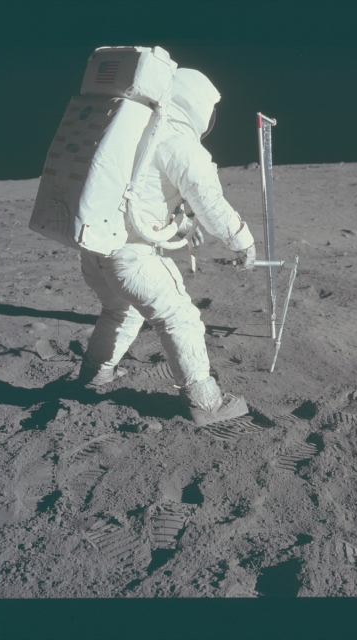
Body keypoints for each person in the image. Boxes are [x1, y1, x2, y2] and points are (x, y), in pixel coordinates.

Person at [77, 68, 256, 427]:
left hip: (95, 249)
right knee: (180, 317)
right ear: (197, 106)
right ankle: (206, 403)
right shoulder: (180, 143)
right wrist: (242, 240)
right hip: (130, 256)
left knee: (120, 311)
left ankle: (95, 374)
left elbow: (143, 194)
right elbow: (210, 203)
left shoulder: (133, 129)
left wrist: (182, 224)